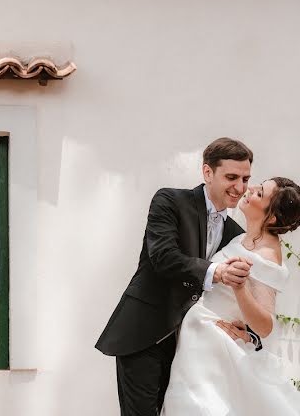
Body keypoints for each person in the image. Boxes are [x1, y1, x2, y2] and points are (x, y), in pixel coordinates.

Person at [95, 137, 257, 415]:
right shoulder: (169, 200)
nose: (240, 188)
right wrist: (216, 272)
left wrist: (248, 332)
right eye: (231, 177)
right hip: (146, 334)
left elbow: (233, 296)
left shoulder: (236, 234)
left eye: (245, 179)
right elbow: (163, 257)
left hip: (193, 349)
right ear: (208, 172)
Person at [160, 176, 300, 415]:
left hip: (213, 347)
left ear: (272, 217)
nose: (250, 189)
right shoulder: (240, 238)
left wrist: (240, 289)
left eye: (260, 193)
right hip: (198, 341)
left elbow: (265, 325)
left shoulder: (267, 254)